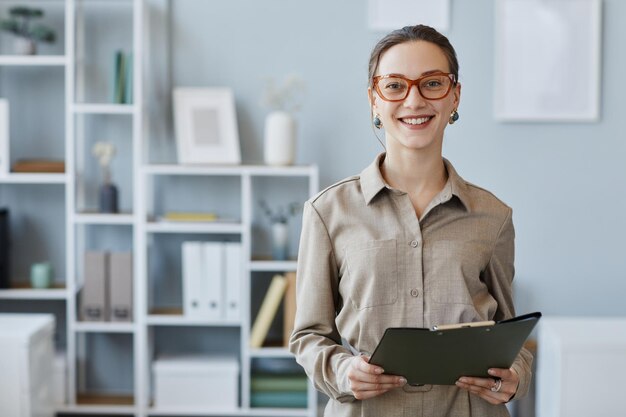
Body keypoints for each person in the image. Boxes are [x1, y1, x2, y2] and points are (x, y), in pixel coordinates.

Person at [289, 24, 533, 417]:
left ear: (454, 96)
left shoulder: (494, 217)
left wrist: (515, 376)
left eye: (432, 83)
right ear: (374, 99)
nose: (414, 100)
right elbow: (307, 336)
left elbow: (511, 337)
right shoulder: (326, 211)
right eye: (395, 85)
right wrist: (343, 370)